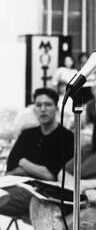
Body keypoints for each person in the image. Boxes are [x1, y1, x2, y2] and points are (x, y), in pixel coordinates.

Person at [0, 87, 74, 221]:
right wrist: (38, 170)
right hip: (16, 187)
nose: (43, 109)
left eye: (48, 105)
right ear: (34, 109)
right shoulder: (27, 134)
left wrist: (23, 163)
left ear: (56, 108)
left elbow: (52, 176)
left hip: (44, 195)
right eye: (39, 105)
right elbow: (10, 170)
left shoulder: (67, 138)